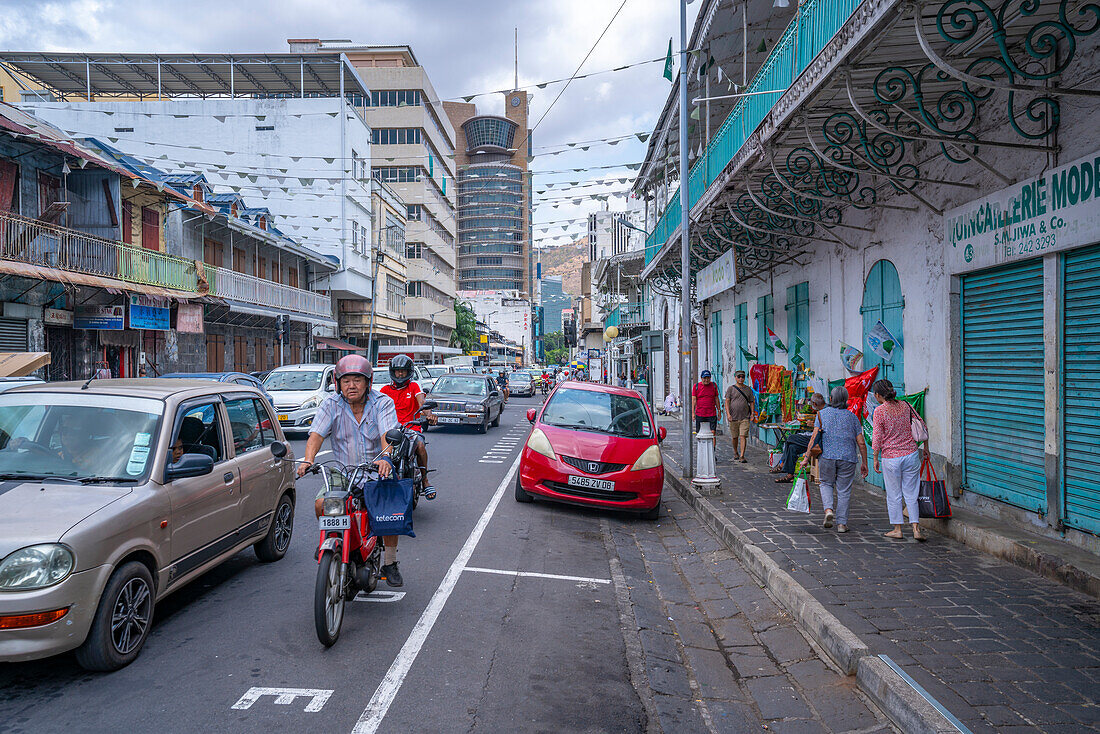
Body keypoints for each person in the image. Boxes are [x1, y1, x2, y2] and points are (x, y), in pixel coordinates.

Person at [298, 354, 407, 586]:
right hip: (342, 472)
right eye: (346, 381)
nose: (351, 386)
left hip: (376, 468)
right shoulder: (330, 404)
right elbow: (316, 435)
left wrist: (386, 457)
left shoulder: (382, 402)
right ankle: (330, 541)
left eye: (357, 380)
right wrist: (308, 460)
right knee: (321, 504)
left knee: (388, 509)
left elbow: (387, 434)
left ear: (368, 381)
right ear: (338, 383)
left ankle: (390, 561)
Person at [803, 386, 867, 532]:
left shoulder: (822, 414)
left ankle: (828, 510)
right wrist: (865, 462)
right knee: (844, 490)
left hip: (827, 457)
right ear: (846, 400)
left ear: (831, 399)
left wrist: (806, 458)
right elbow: (861, 442)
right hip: (848, 458)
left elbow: (814, 438)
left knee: (825, 483)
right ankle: (842, 525)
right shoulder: (852, 417)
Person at [871, 379, 927, 541]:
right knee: (912, 493)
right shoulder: (906, 405)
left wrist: (875, 457)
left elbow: (877, 437)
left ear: (878, 395)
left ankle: (897, 529)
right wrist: (927, 448)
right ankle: (916, 529)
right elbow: (921, 424)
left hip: (891, 458)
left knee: (894, 494)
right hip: (910, 454)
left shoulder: (880, 411)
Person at [379, 355, 436, 500]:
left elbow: (422, 403)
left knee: (421, 445)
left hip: (411, 428)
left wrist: (429, 414)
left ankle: (425, 480)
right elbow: (376, 408)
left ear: (408, 372)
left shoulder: (414, 386)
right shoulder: (385, 389)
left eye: (403, 371)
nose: (399, 374)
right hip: (391, 429)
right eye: (397, 371)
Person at [771, 393, 826, 482]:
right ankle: (790, 475)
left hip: (819, 441)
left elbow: (821, 431)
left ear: (815, 404)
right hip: (814, 438)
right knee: (793, 447)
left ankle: (782, 464)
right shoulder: (820, 412)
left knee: (791, 438)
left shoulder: (824, 413)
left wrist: (813, 426)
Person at [724, 370, 753, 463]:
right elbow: (727, 402)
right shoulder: (731, 389)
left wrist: (752, 414)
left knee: (743, 436)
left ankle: (742, 455)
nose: (741, 378)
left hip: (745, 416)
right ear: (735, 378)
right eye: (739, 377)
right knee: (734, 437)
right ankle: (735, 452)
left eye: (742, 377)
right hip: (733, 417)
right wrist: (728, 414)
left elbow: (752, 402)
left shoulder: (748, 389)